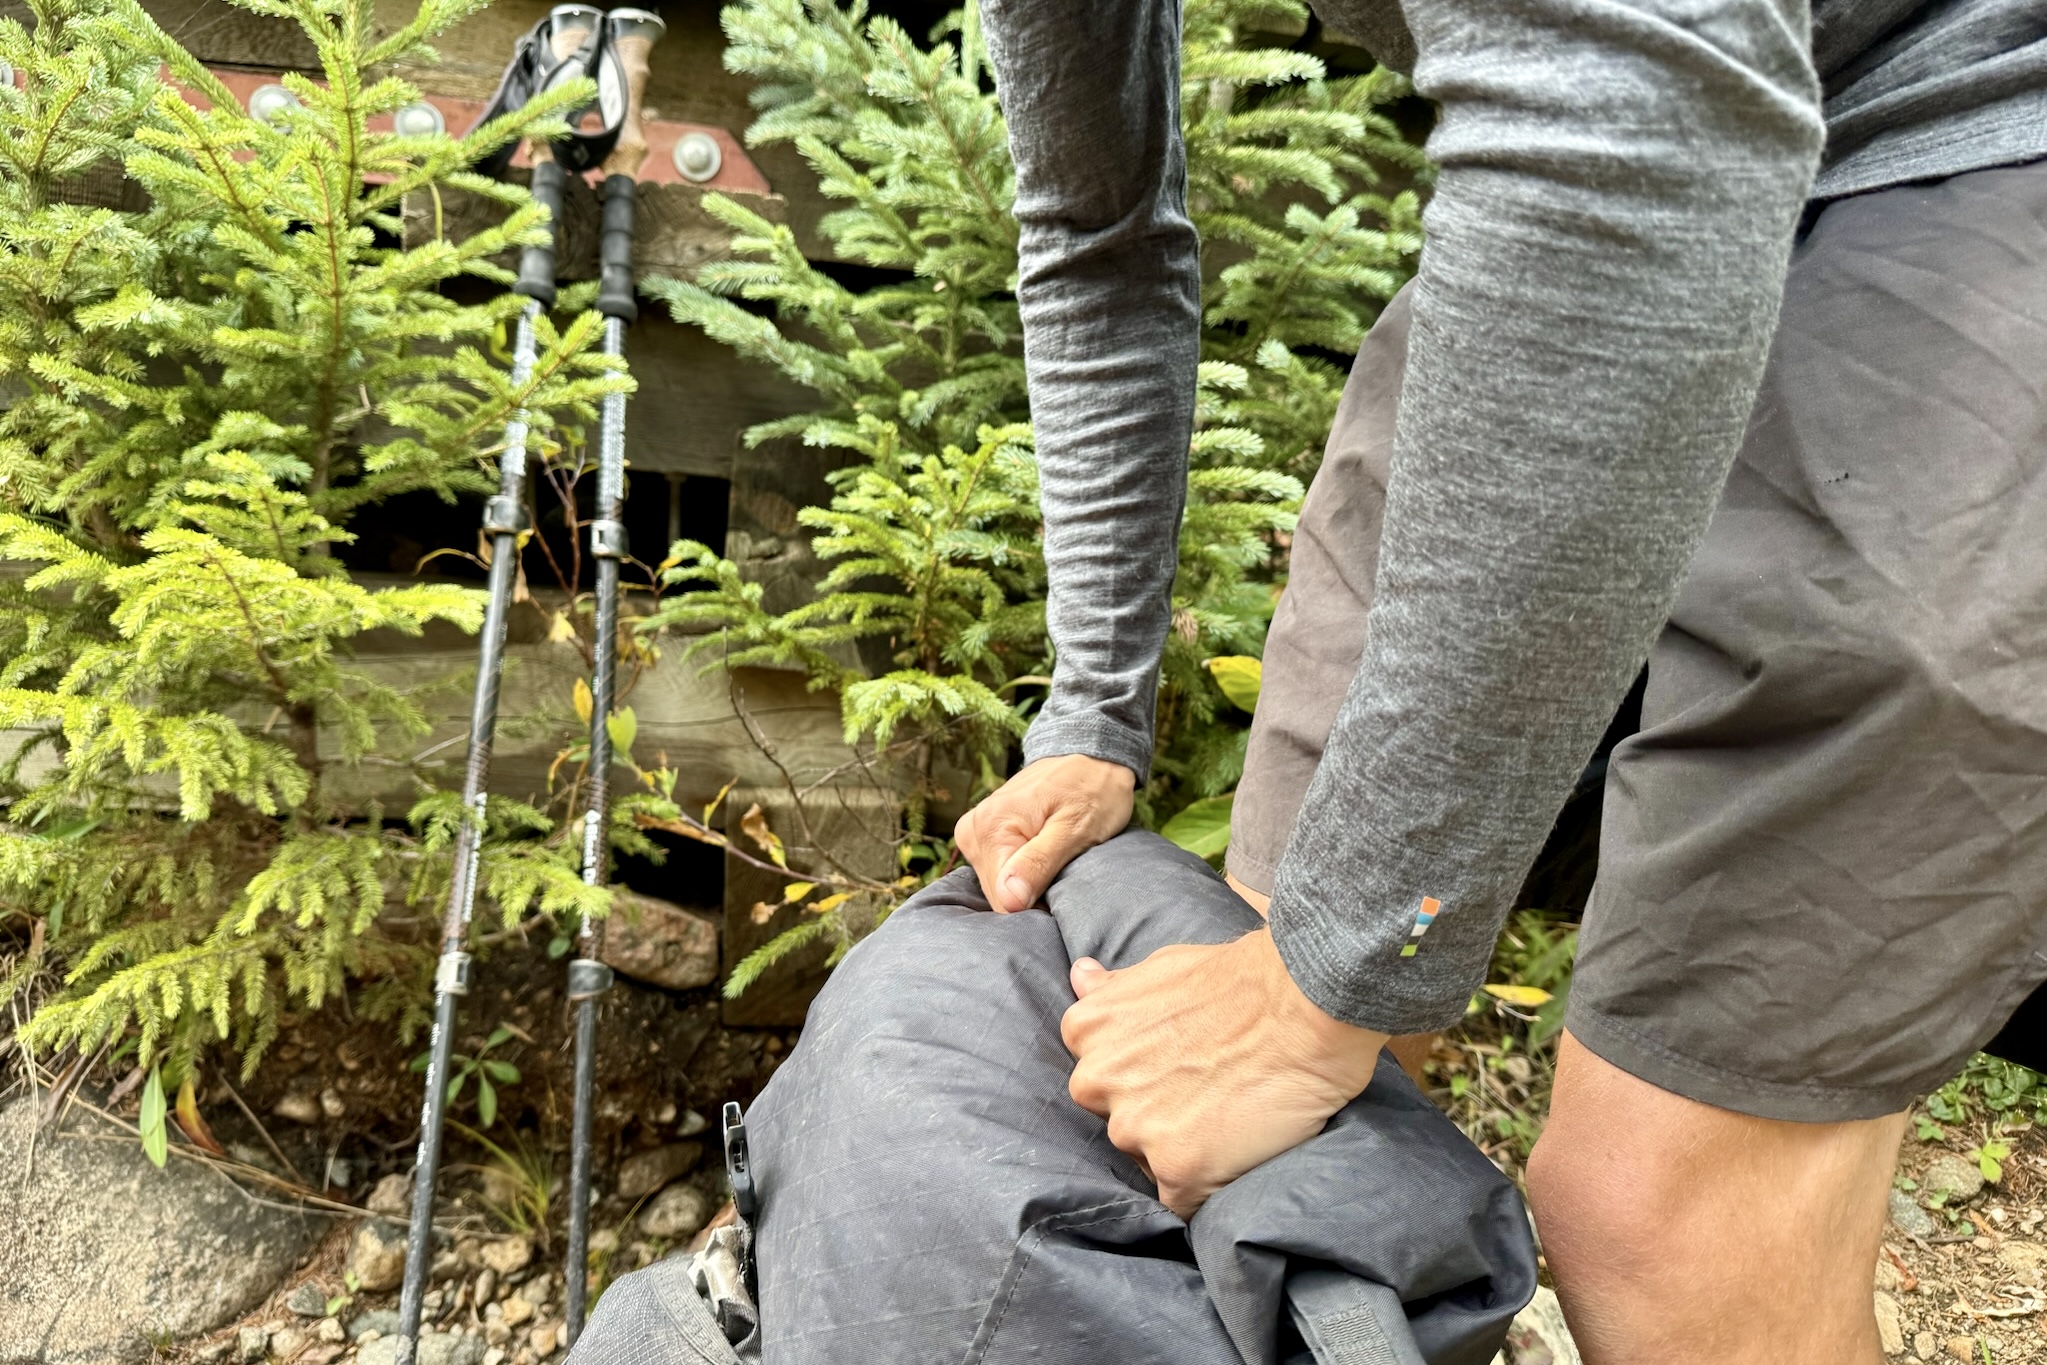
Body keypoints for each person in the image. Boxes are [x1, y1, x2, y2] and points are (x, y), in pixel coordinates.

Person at [952, 0, 2047, 1359]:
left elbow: (1648, 102)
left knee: (1662, 1223)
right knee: (1251, 1117)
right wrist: (1094, 709)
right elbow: (1094, 238)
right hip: (1587, 180)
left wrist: (1331, 985)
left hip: (1976, 137)